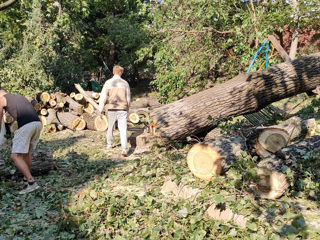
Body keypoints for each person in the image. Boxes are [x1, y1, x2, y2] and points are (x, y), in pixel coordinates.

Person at [0, 89, 43, 194]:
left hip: (27, 125)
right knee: (26, 153)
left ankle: (31, 183)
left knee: (15, 156)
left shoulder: (2, 99)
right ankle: (26, 179)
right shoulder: (19, 97)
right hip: (37, 123)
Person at [98, 65, 131, 157]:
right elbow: (128, 98)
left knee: (110, 127)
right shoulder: (125, 83)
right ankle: (124, 149)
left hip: (112, 108)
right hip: (122, 108)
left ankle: (109, 144)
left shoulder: (108, 83)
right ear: (120, 73)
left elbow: (103, 96)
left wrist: (100, 108)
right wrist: (128, 108)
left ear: (113, 72)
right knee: (123, 129)